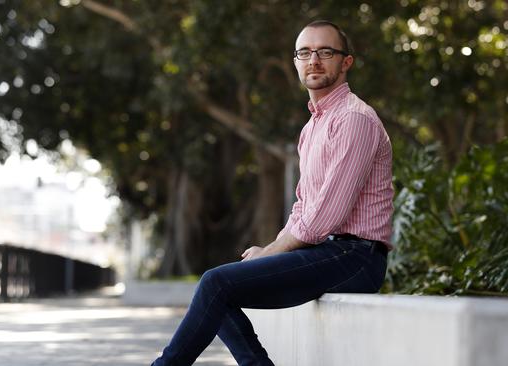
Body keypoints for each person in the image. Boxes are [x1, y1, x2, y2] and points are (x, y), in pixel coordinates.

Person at [151, 20, 394, 366]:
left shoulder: (355, 119)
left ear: (346, 62)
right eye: (305, 53)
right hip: (330, 253)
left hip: (356, 258)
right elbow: (304, 207)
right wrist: (272, 248)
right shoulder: (313, 127)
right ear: (295, 62)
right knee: (219, 291)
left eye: (325, 52)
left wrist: (270, 252)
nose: (314, 61)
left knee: (215, 284)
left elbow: (327, 214)